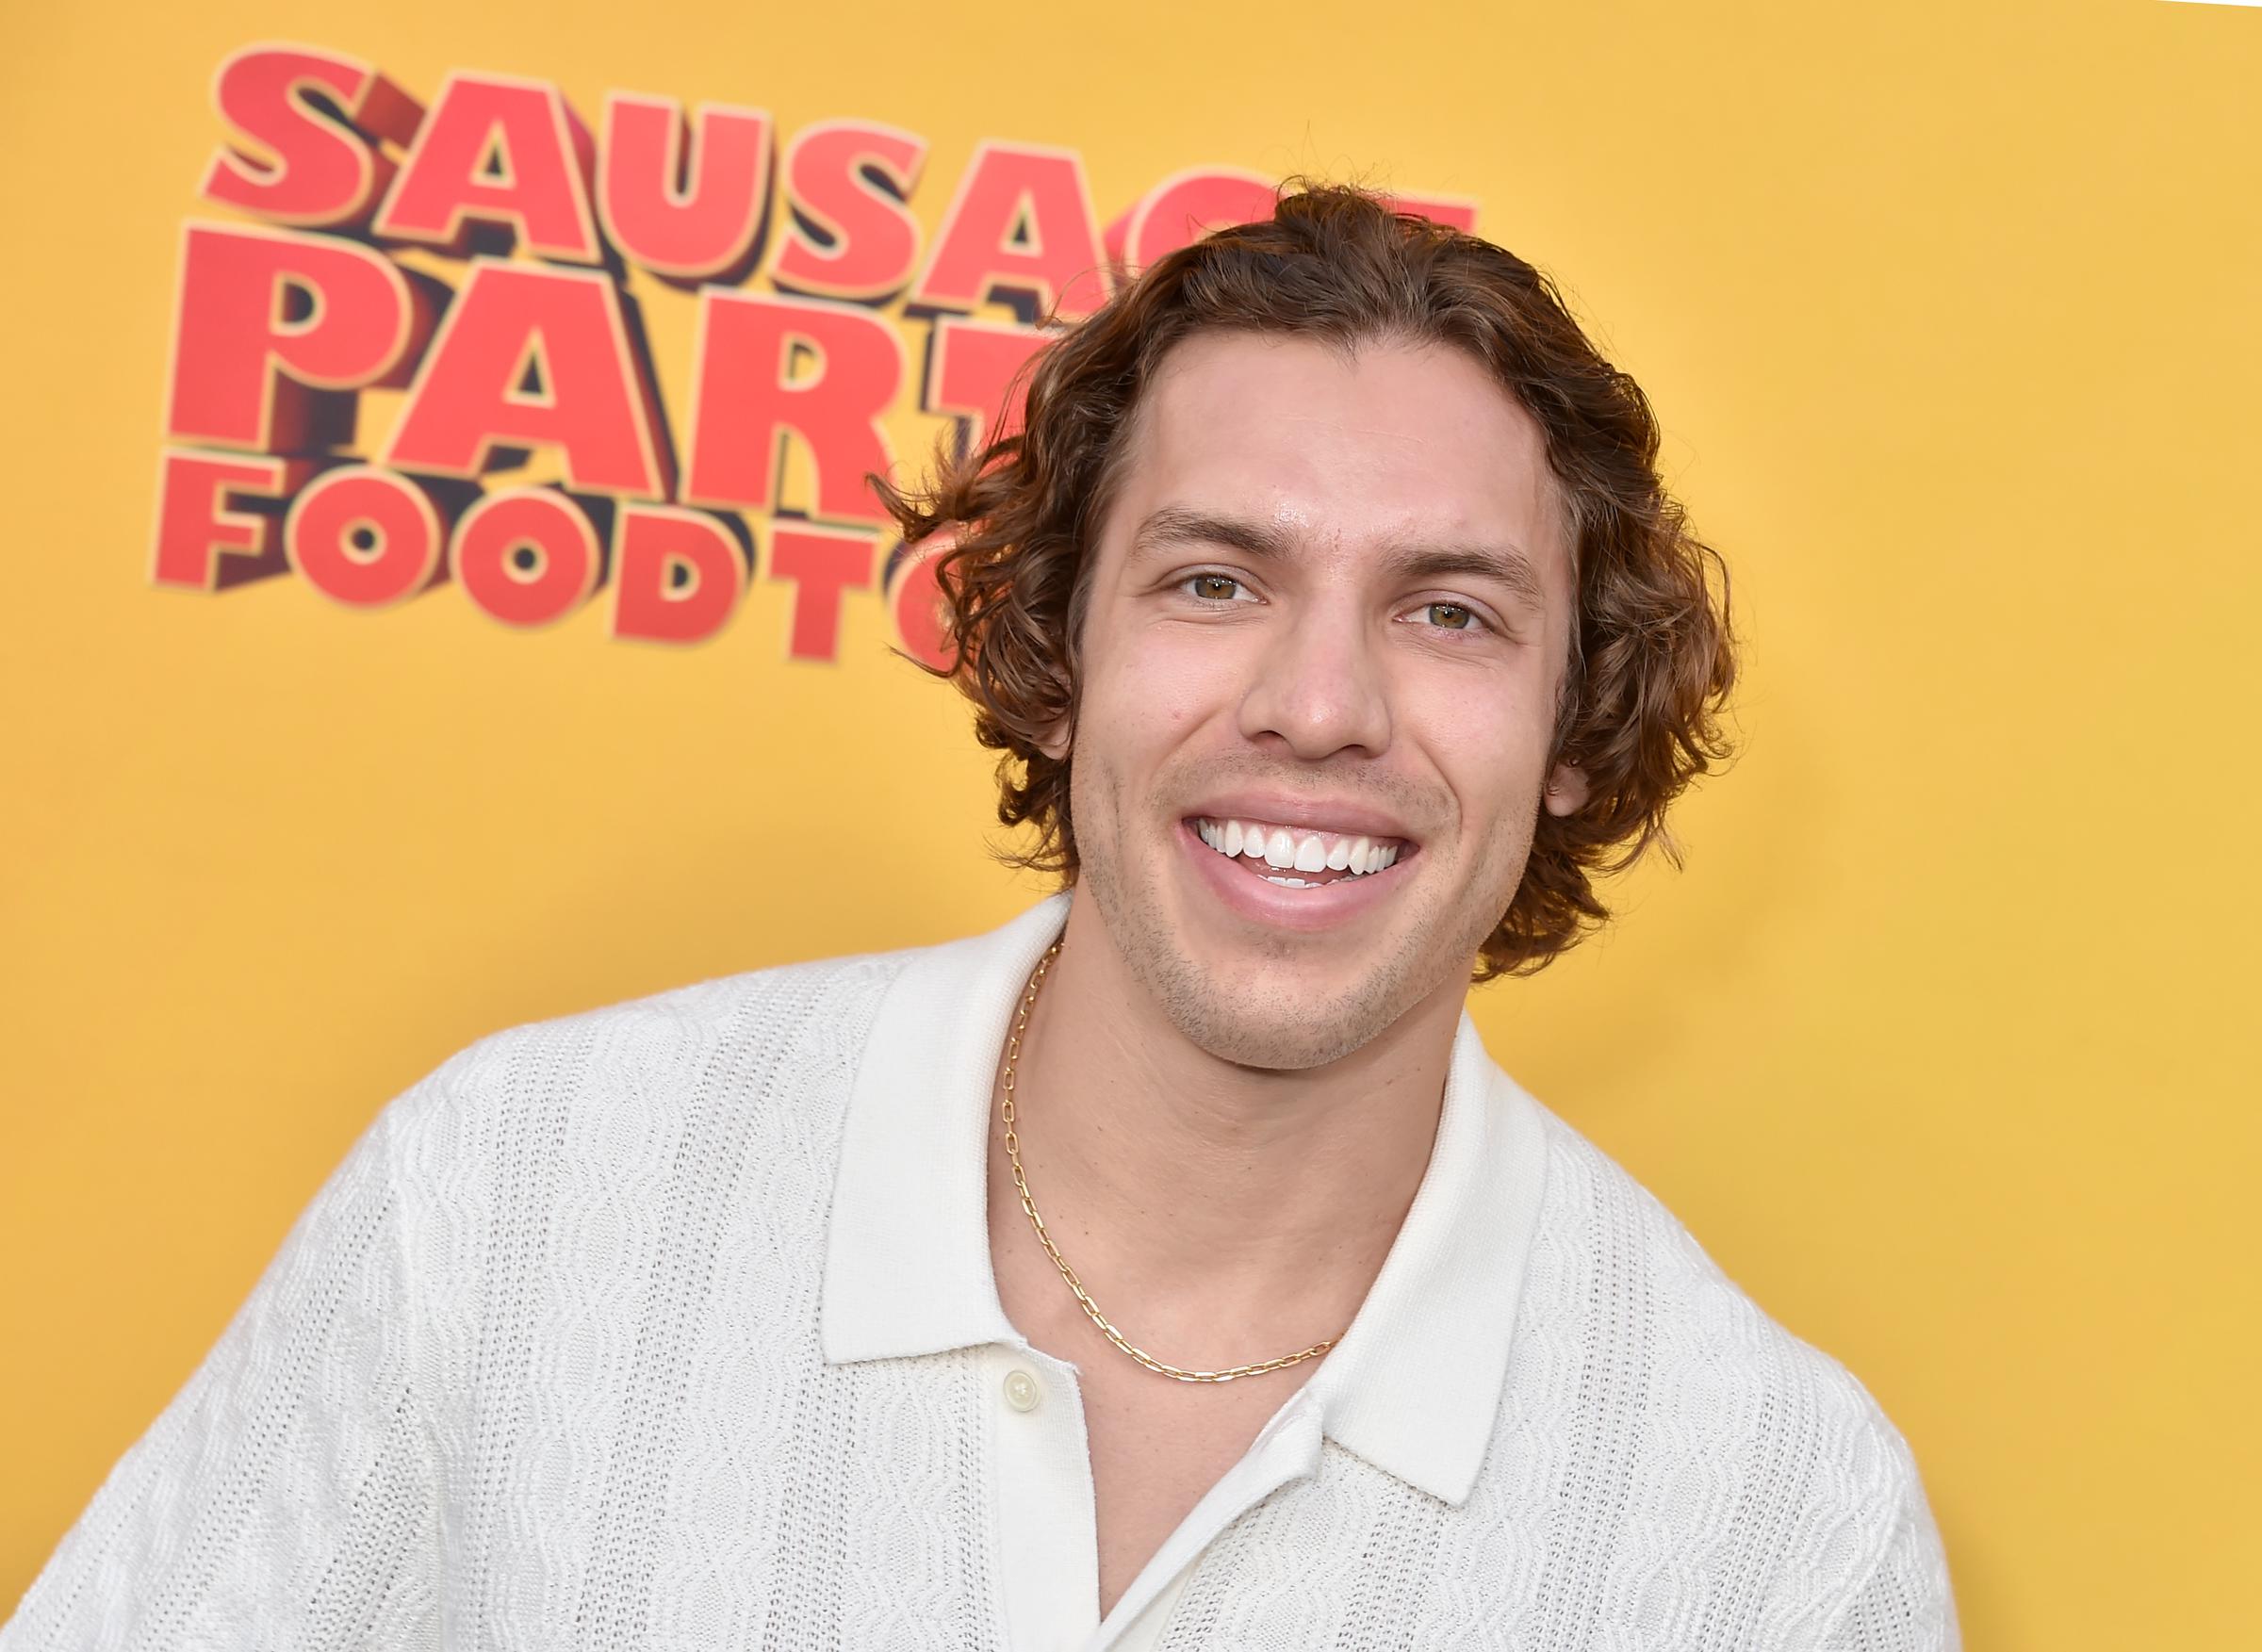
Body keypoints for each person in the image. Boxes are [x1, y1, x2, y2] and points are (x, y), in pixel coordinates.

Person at [2, 183, 1958, 1650]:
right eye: (1215, 580)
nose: (1320, 704)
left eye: (1449, 611)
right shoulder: (514, 1201)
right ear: (1053, 654)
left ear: (1573, 730)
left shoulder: (1773, 1531)